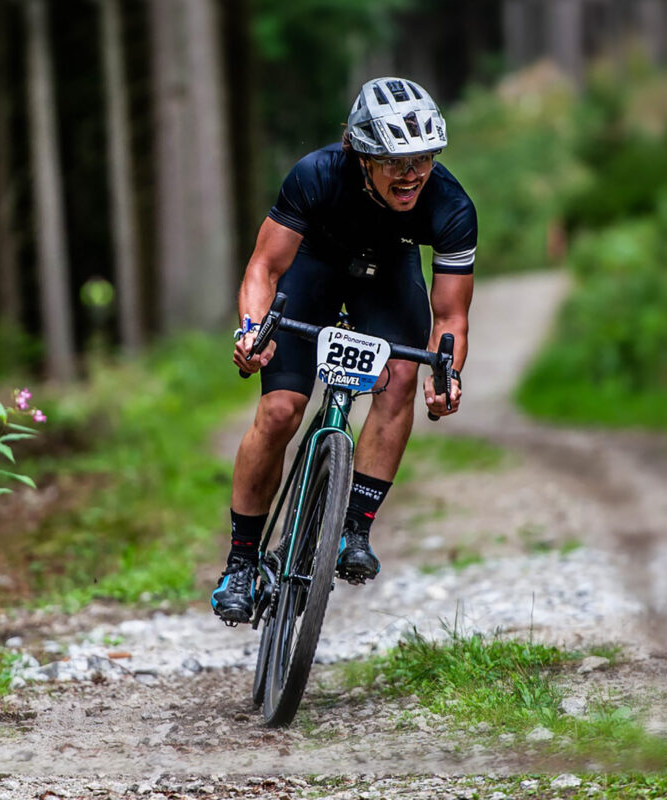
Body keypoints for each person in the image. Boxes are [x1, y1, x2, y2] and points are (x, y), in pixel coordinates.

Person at [211, 77, 475, 624]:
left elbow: (450, 317)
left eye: (423, 157)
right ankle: (241, 563)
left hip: (388, 275)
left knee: (401, 375)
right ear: (361, 153)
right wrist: (250, 330)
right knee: (281, 409)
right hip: (314, 270)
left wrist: (446, 376)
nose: (412, 174)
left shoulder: (450, 206)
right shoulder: (316, 174)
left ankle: (354, 528)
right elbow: (265, 267)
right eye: (395, 160)